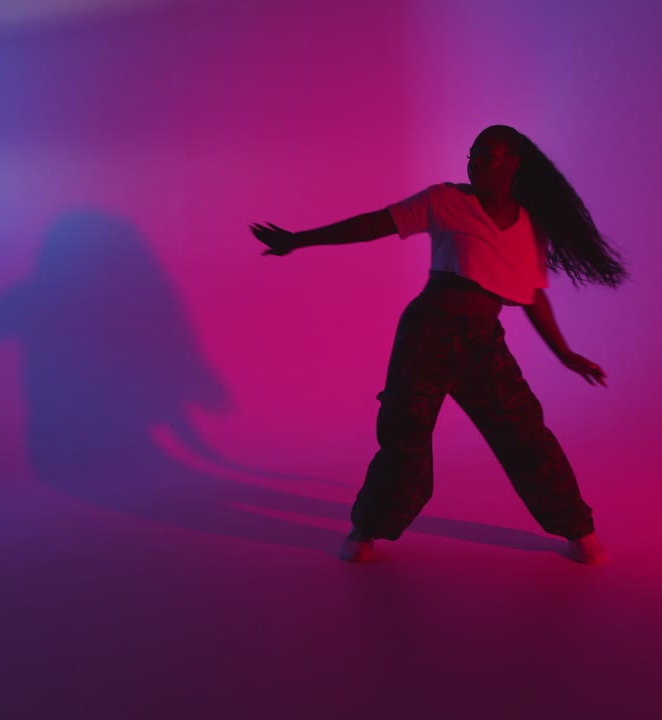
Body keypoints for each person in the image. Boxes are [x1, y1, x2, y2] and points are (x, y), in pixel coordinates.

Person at [250, 125, 628, 564]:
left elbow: (532, 294)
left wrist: (564, 354)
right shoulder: (446, 200)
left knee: (527, 437)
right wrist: (299, 239)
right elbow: (375, 223)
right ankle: (366, 530)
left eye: (486, 156)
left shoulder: (530, 224)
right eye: (472, 155)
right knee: (405, 441)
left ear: (512, 163)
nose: (475, 163)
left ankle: (578, 529)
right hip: (427, 336)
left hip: (483, 344)